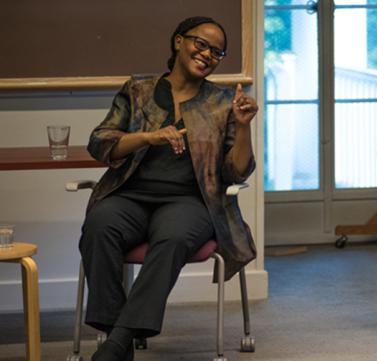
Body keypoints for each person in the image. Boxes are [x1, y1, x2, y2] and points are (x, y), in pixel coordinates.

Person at [79, 16, 257, 361]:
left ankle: (117, 344)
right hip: (130, 195)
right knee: (99, 226)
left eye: (217, 52)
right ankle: (121, 339)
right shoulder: (138, 90)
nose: (207, 54)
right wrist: (148, 136)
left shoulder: (222, 103)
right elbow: (100, 143)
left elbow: (236, 172)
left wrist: (244, 126)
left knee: (173, 238)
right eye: (200, 44)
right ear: (178, 41)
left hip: (191, 201)